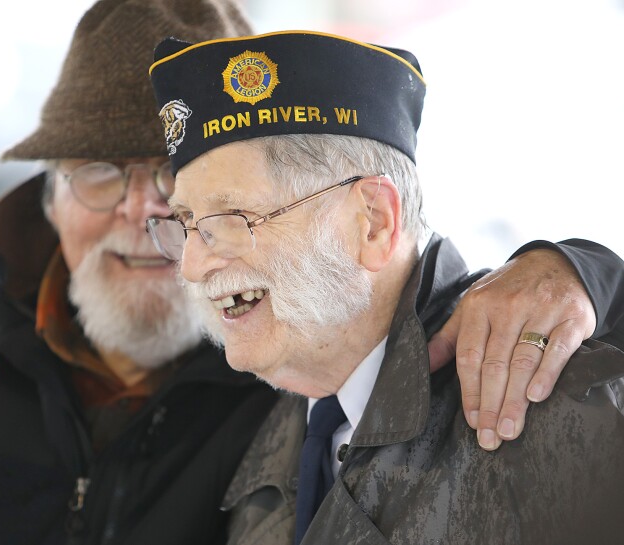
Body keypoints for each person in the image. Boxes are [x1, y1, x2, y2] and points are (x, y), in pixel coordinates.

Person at [0, 0, 619, 542]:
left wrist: (584, 271)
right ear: (48, 194)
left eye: (203, 201)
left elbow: (402, 282)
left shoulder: (286, 359)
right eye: (101, 172)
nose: (152, 219)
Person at [147, 30, 624, 544]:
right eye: (189, 221)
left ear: (372, 221)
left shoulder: (551, 404)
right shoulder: (252, 419)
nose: (192, 265)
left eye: (231, 217)